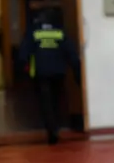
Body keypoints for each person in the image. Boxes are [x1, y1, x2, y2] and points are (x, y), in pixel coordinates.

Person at [19, 8, 80, 144]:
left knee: (46, 102)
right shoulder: (60, 32)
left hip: (41, 72)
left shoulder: (34, 32)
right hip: (59, 72)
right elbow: (71, 53)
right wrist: (77, 71)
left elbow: (24, 52)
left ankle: (51, 130)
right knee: (57, 101)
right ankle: (56, 126)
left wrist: (24, 68)